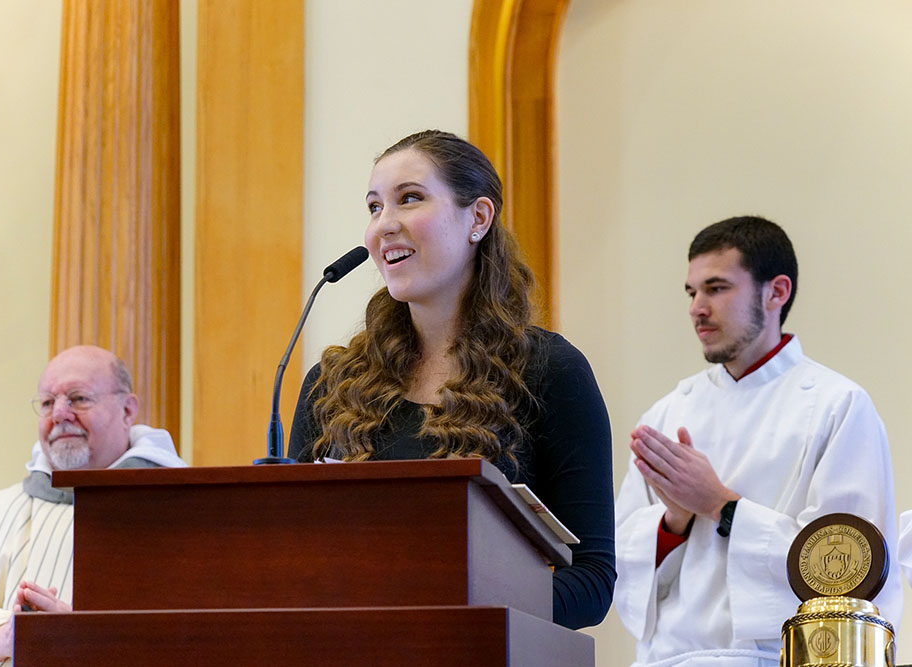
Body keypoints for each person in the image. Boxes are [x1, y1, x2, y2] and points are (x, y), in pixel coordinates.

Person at [287, 129, 615, 629]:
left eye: (410, 199)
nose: (383, 226)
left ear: (478, 219)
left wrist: (449, 605)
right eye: (374, 207)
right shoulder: (330, 384)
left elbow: (591, 581)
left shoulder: (550, 370)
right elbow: (293, 559)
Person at [614, 216, 901, 667]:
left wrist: (721, 505)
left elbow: (848, 570)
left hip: (777, 658)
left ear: (776, 292)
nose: (697, 308)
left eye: (717, 288)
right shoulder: (669, 413)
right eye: (692, 292)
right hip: (669, 658)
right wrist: (673, 520)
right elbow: (622, 566)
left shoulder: (838, 405)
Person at [0, 345, 187, 667]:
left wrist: (81, 637)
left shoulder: (184, 513)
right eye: (47, 403)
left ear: (128, 411)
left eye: (79, 398)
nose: (60, 414)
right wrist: (7, 638)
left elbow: (201, 642)